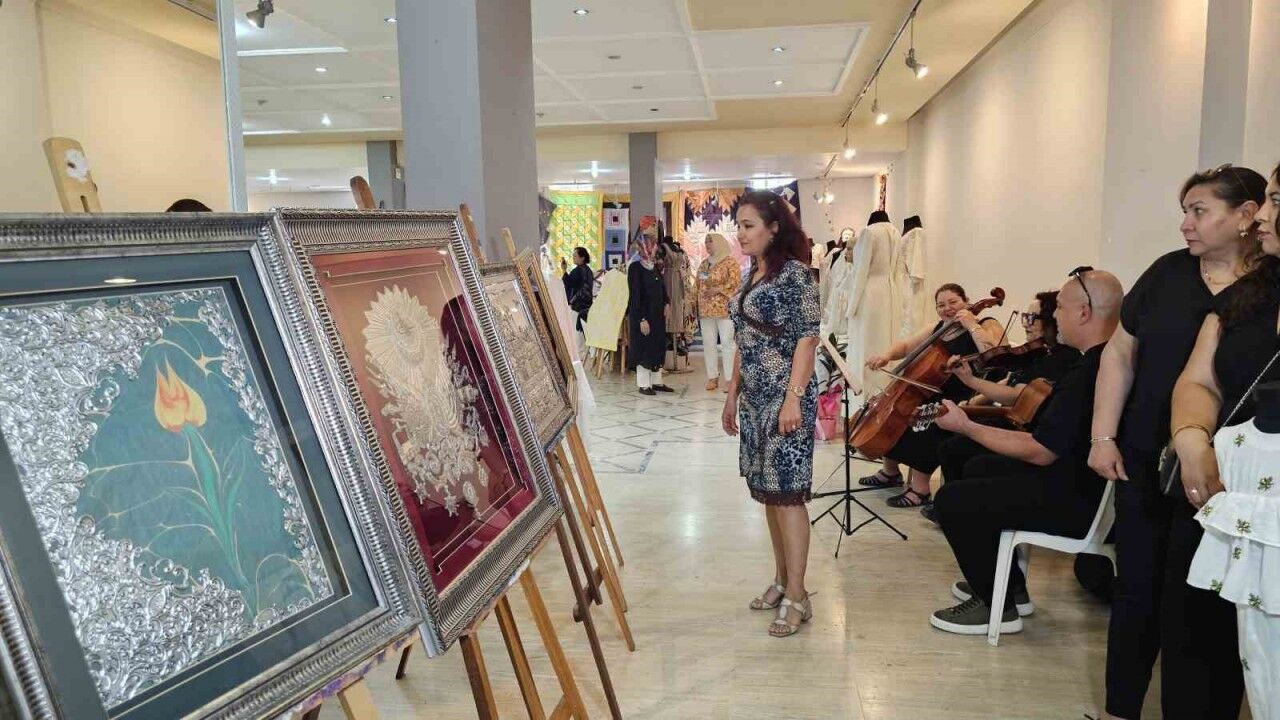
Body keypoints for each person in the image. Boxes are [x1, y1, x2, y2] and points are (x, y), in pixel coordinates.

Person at [1088, 165, 1266, 720]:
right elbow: (1119, 354)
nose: (1186, 224)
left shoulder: (1266, 287)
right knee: (1136, 587)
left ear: (1245, 215)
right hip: (1145, 454)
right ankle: (1121, 708)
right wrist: (1103, 436)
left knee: (1201, 605)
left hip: (1226, 473)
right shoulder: (1167, 273)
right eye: (1185, 211)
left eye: (1199, 211)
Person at [927, 269, 1123, 635]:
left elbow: (1042, 451)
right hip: (1080, 482)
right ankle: (1007, 586)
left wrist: (967, 426)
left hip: (1077, 499)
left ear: (1084, 312)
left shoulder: (1089, 371)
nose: (1053, 317)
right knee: (979, 467)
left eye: (1059, 308)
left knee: (953, 500)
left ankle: (996, 607)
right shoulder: (1100, 360)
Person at [1164, 162, 1280, 720]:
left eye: (1276, 202)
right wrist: (1191, 439)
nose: (1263, 216)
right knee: (1205, 643)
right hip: (1222, 495)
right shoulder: (1249, 294)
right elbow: (1198, 380)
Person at [721, 190, 820, 638]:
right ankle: (782, 580)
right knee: (769, 494)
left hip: (786, 398)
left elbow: (807, 339)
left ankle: (799, 593)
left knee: (789, 496)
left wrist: (793, 398)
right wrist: (732, 394)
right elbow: (744, 341)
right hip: (755, 399)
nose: (740, 234)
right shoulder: (752, 275)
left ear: (774, 228)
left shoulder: (796, 275)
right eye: (738, 226)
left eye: (748, 226)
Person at [923, 291, 1082, 523]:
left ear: (1051, 320)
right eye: (1024, 317)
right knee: (950, 442)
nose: (1025, 324)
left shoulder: (1062, 358)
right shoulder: (1040, 353)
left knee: (958, 449)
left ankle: (958, 508)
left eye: (1031, 318)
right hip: (1018, 422)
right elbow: (1010, 385)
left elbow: (1016, 397)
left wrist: (970, 381)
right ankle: (955, 508)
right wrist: (969, 400)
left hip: (1028, 431)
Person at [858, 283, 1007, 508]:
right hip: (935, 388)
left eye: (953, 302)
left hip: (969, 391)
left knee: (924, 421)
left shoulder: (987, 323)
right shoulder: (939, 328)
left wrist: (970, 324)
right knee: (895, 415)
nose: (947, 308)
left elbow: (995, 353)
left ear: (966, 301)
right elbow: (906, 346)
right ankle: (890, 472)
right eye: (941, 305)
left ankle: (920, 490)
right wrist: (886, 356)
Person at [627, 232, 672, 396]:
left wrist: (667, 303)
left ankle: (656, 382)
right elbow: (635, 296)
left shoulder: (653, 266)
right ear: (644, 247)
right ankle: (644, 384)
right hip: (643, 316)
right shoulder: (635, 268)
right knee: (644, 348)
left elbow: (662, 288)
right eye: (652, 245)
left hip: (657, 316)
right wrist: (642, 319)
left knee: (657, 346)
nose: (655, 248)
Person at [697, 233, 741, 392]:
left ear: (719, 243)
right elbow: (699, 283)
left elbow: (736, 283)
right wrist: (694, 301)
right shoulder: (704, 264)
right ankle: (712, 377)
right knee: (708, 343)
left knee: (727, 344)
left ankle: (730, 379)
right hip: (706, 310)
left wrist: (718, 289)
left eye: (710, 242)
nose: (707, 245)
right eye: (706, 242)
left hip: (724, 310)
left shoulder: (730, 262)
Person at [562, 246, 594, 334]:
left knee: (577, 335)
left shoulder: (577, 271)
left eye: (575, 256)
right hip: (588, 307)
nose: (573, 258)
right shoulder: (589, 271)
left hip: (577, 308)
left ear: (582, 258)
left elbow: (567, 283)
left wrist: (564, 270)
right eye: (573, 256)